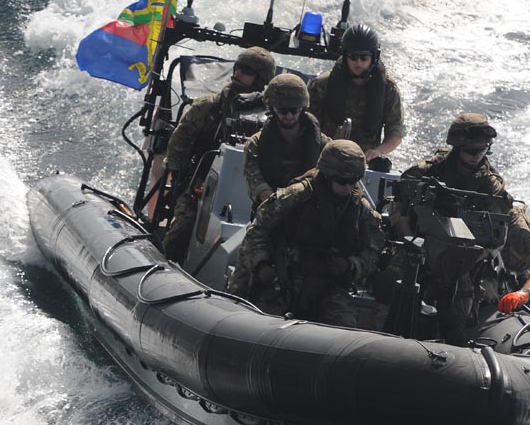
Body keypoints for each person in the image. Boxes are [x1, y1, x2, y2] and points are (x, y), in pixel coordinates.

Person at [392, 112, 530, 342]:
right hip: (422, 252)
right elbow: (398, 204)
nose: (478, 156)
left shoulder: (494, 192)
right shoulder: (427, 174)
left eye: (483, 150)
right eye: (471, 151)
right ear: (456, 147)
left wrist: (523, 294)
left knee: (463, 294)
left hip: (470, 265)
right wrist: (412, 242)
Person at [228, 140, 385, 327]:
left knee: (344, 324)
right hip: (285, 277)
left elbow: (374, 250)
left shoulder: (359, 208)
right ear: (327, 176)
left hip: (327, 284)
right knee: (264, 322)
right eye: (342, 181)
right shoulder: (296, 197)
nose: (348, 188)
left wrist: (350, 265)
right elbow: (257, 231)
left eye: (353, 182)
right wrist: (262, 265)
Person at [162, 47, 276, 261]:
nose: (239, 74)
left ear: (260, 79)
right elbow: (180, 140)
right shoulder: (209, 107)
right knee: (181, 231)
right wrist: (176, 176)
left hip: (250, 193)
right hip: (203, 185)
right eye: (239, 68)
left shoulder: (270, 119)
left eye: (248, 71)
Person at [307, 23, 405, 171]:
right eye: (353, 57)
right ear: (344, 55)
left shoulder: (387, 89)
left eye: (364, 57)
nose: (358, 62)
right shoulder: (323, 84)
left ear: (374, 57)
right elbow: (308, 124)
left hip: (363, 162)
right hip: (325, 157)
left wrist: (379, 151)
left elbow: (396, 131)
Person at [243, 73, 330, 207]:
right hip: (270, 209)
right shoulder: (255, 144)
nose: (289, 116)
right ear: (272, 109)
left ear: (302, 109)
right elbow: (255, 178)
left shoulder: (323, 144)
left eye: (294, 110)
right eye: (283, 110)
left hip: (310, 212)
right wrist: (275, 201)